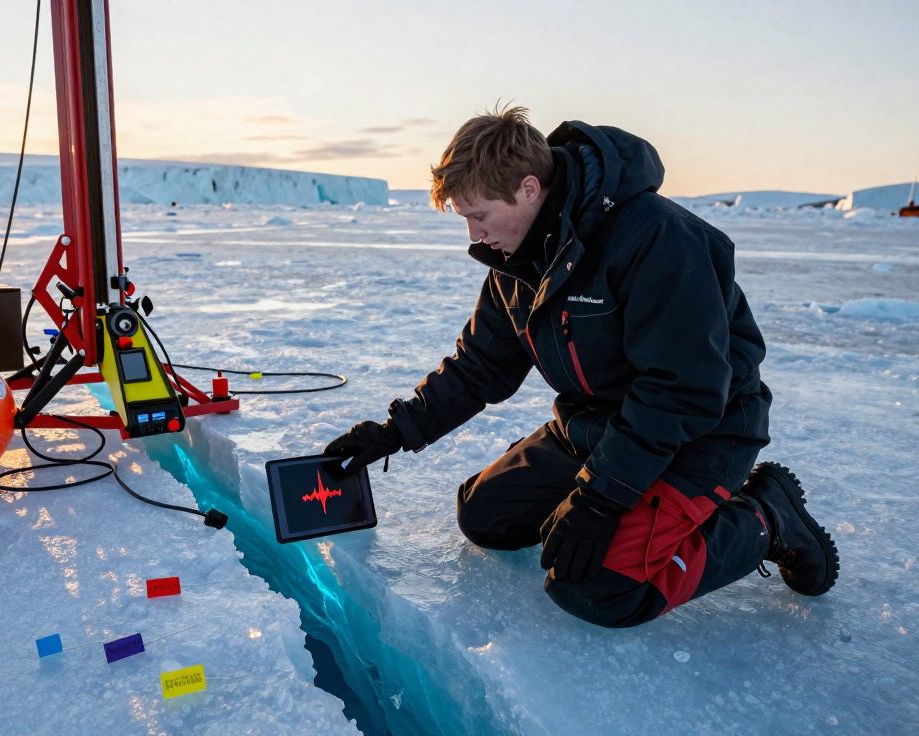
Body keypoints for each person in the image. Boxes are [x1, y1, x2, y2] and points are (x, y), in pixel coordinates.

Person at [325, 106, 839, 627]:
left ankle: (766, 518)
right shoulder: (518, 260)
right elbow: (480, 365)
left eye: (478, 216)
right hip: (595, 425)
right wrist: (395, 432)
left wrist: (599, 500)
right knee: (486, 518)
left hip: (699, 433)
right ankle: (619, 504)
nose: (474, 236)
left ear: (529, 188)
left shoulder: (658, 238)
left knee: (597, 589)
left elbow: (683, 391)